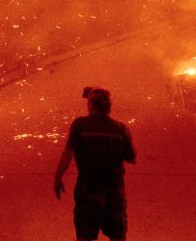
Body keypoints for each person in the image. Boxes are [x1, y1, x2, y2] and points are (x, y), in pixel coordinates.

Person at [54, 87, 136, 241]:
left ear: (91, 105)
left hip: (88, 191)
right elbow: (131, 158)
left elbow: (68, 154)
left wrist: (57, 177)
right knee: (118, 235)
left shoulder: (79, 125)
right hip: (114, 191)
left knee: (84, 235)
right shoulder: (120, 129)